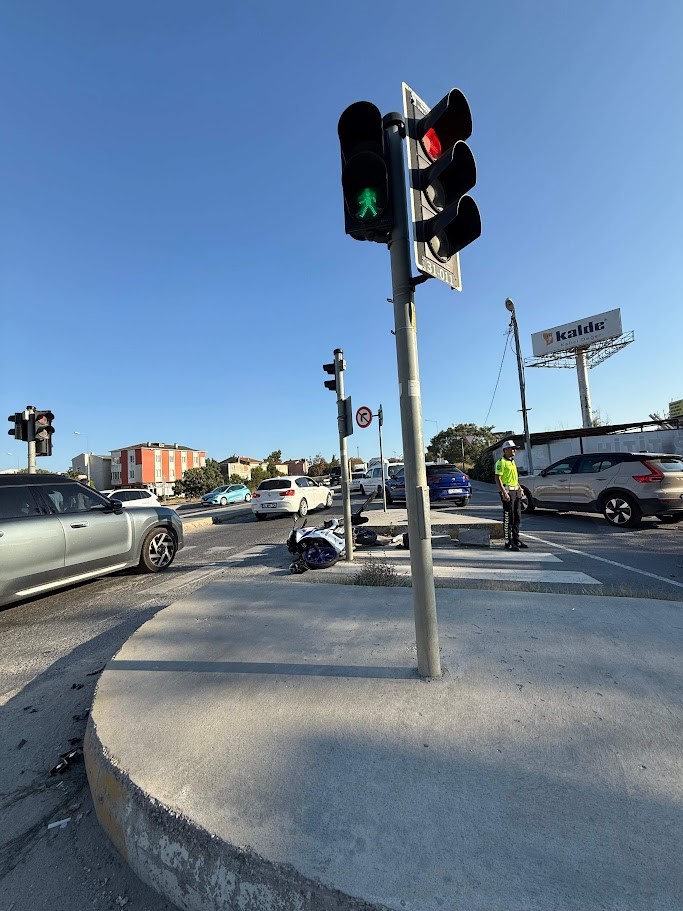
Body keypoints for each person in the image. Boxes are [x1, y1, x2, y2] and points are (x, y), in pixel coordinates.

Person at [495, 440, 528, 551]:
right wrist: (504, 492)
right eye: (512, 448)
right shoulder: (501, 462)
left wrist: (519, 487)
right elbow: (498, 478)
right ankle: (508, 541)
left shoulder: (512, 462)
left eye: (515, 449)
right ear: (505, 450)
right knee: (509, 517)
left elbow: (514, 477)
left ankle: (516, 539)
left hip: (515, 491)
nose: (514, 451)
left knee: (517, 516)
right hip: (507, 492)